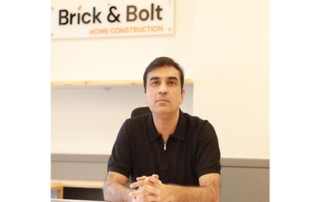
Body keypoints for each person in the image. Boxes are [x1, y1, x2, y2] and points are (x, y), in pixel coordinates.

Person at [103, 56, 221, 202]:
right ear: (145, 95)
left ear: (182, 95)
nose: (163, 89)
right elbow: (109, 188)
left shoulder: (202, 131)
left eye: (171, 83)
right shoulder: (131, 129)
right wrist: (134, 197)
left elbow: (212, 194)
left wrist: (168, 193)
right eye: (155, 83)